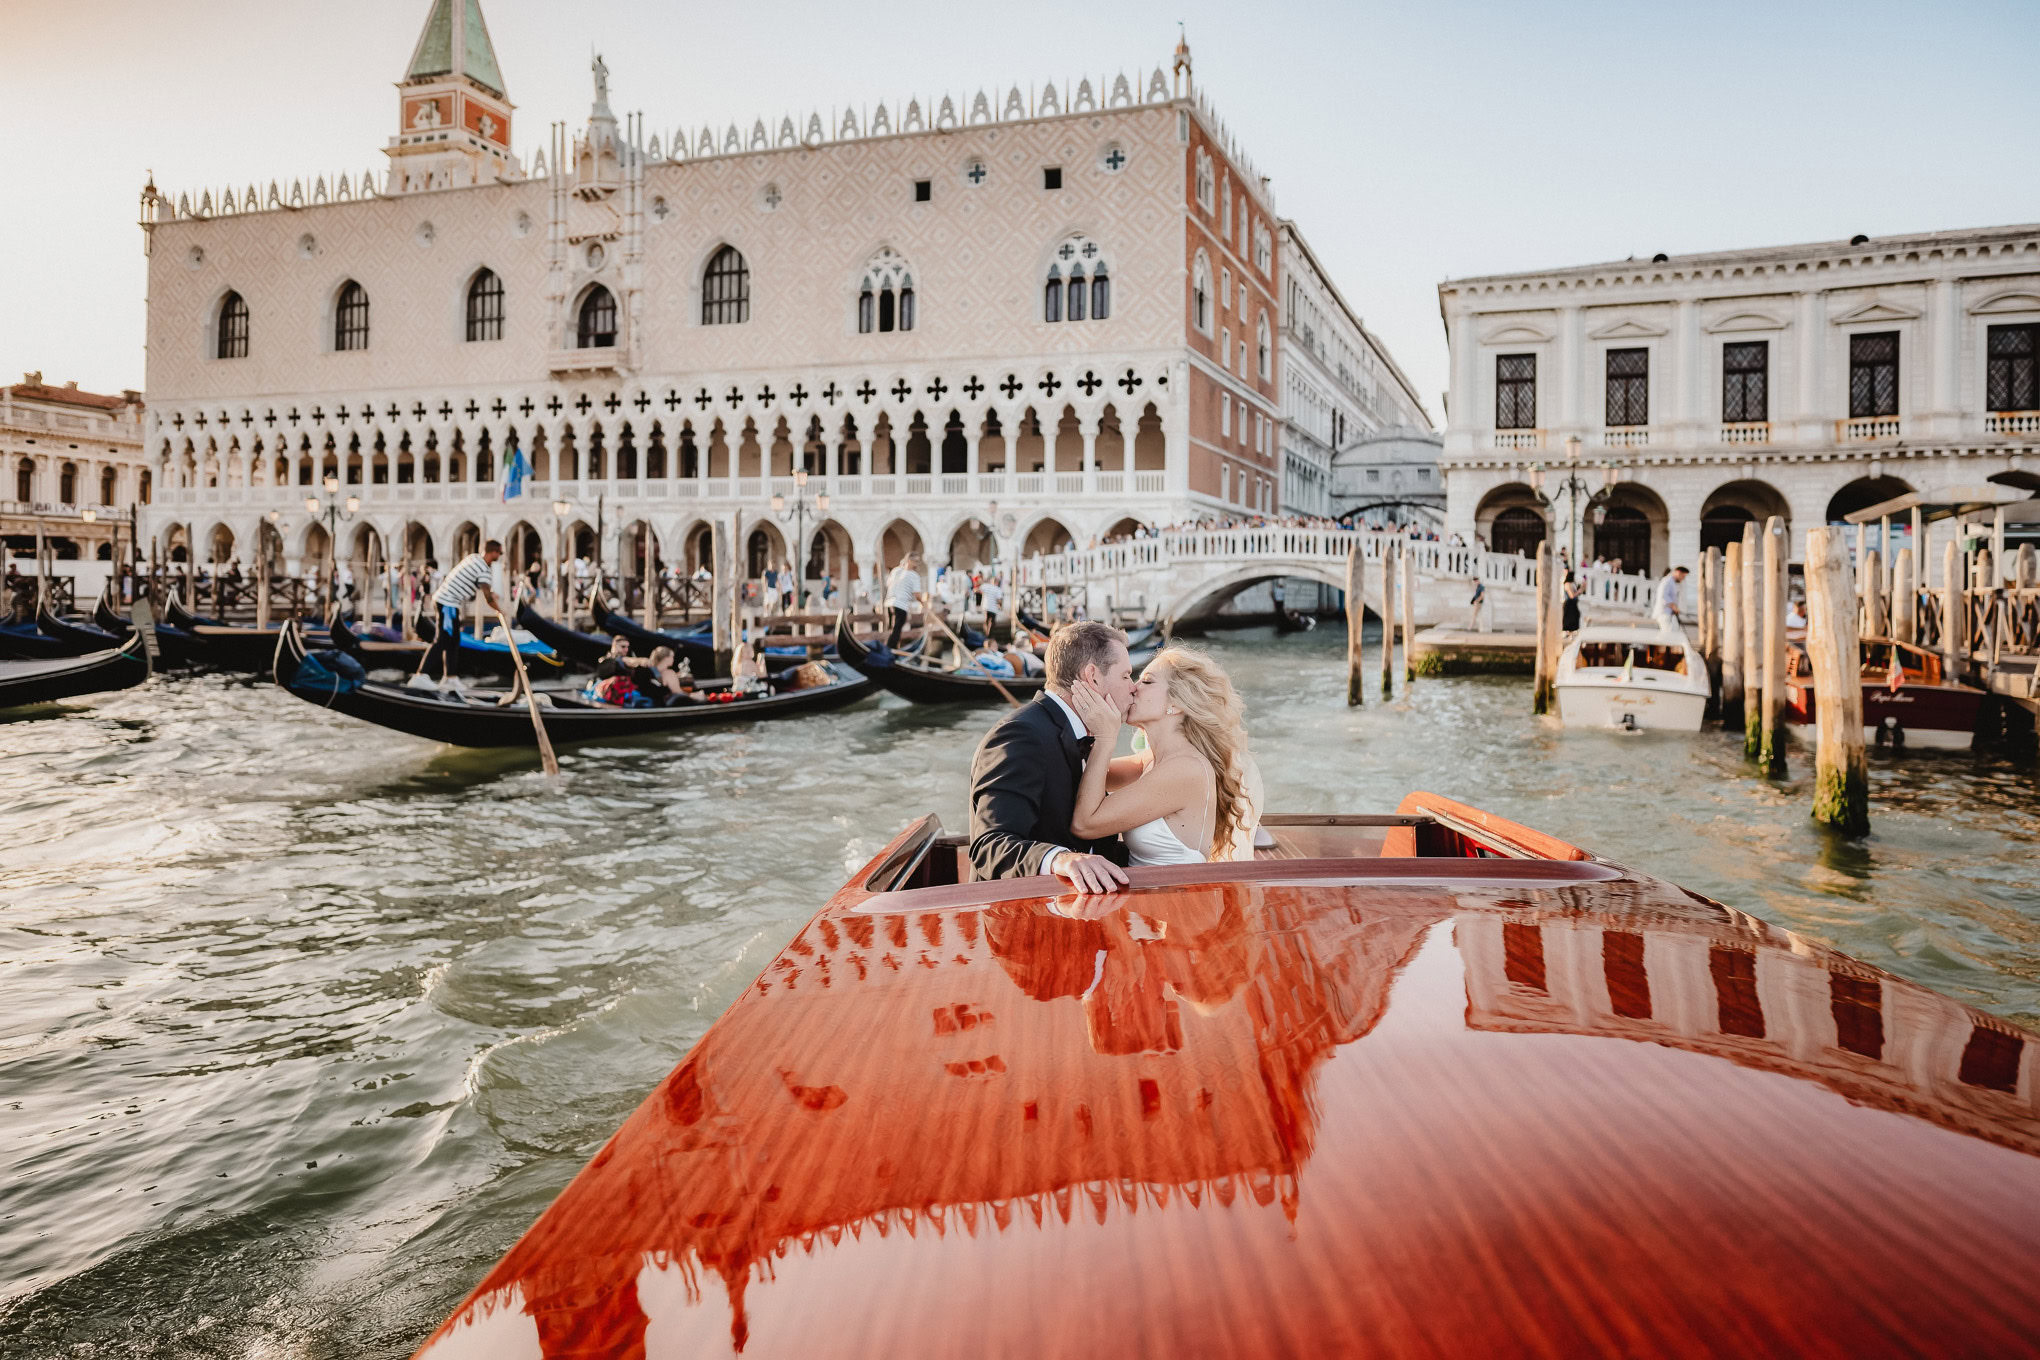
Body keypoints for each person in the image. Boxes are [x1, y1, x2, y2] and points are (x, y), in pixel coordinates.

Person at [967, 620, 1137, 892]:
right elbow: (990, 847)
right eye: (1126, 675)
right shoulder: (1021, 735)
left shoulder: (1084, 733)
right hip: (1023, 916)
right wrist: (1060, 859)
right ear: (1092, 676)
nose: (1133, 687)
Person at [1066, 647, 1250, 867]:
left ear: (1177, 704)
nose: (1133, 687)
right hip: (1143, 892)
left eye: (1147, 681)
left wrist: (1105, 738)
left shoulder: (1185, 769)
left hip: (1173, 898)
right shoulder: (1151, 761)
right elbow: (1080, 775)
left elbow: (1085, 824)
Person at [411, 539, 504, 690]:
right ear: (493, 552)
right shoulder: (484, 569)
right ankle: (420, 676)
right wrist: (501, 611)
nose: (500, 556)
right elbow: (487, 597)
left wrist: (491, 594)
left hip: (448, 602)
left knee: (454, 640)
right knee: (443, 639)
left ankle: (450, 678)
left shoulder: (473, 558)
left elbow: (481, 586)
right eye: (500, 553)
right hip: (447, 602)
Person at [885, 552, 922, 648]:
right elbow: (917, 595)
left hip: (889, 604)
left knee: (891, 630)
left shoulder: (896, 571)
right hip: (901, 605)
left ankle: (890, 650)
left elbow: (888, 584)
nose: (918, 564)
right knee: (896, 630)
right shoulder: (914, 576)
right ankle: (890, 652)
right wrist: (924, 604)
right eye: (916, 561)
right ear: (909, 561)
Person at [1561, 569, 1582, 635]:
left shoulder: (1572, 584)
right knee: (1569, 618)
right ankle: (1567, 631)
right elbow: (1571, 596)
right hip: (1569, 604)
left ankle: (1573, 631)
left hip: (1573, 604)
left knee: (1575, 616)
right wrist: (1579, 591)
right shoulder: (1567, 584)